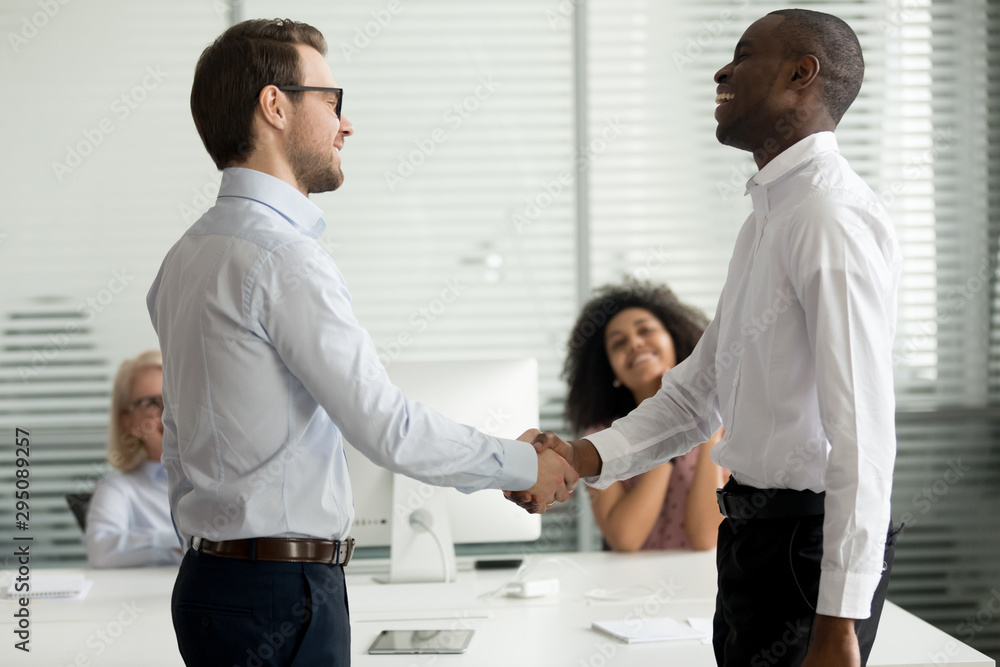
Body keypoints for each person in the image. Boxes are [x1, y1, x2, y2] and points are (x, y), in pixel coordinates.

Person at [146, 18, 576, 667]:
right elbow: (385, 426)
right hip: (280, 592)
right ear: (275, 105)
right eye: (332, 100)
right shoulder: (283, 257)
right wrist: (523, 466)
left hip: (209, 586)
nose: (347, 124)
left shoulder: (182, 259)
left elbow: (178, 438)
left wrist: (213, 548)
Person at [528, 9, 903, 667]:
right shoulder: (767, 220)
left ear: (800, 74)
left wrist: (839, 622)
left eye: (743, 55)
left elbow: (864, 438)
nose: (721, 71)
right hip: (753, 542)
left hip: (803, 552)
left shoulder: (827, 217)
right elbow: (696, 397)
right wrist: (581, 455)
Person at [564, 279, 726, 552]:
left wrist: (711, 423)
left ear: (673, 340)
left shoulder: (724, 420)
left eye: (646, 330)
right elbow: (625, 539)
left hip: (703, 584)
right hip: (633, 587)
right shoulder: (599, 439)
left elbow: (706, 538)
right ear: (613, 372)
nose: (635, 344)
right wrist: (663, 428)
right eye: (619, 343)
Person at [84, 350, 182, 568]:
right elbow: (100, 551)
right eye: (153, 402)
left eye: (175, 397)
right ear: (130, 423)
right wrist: (184, 542)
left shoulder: (223, 480)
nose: (168, 412)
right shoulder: (118, 489)